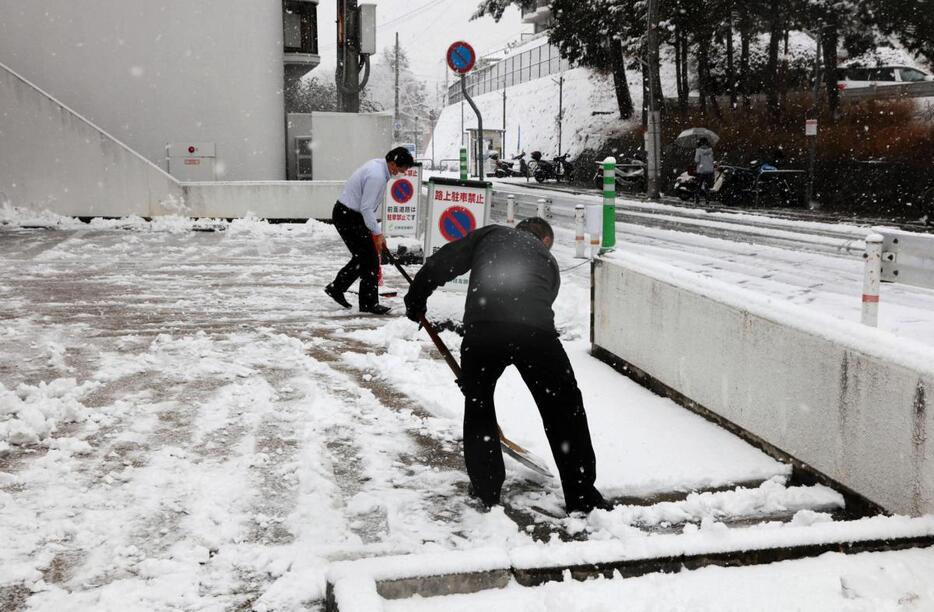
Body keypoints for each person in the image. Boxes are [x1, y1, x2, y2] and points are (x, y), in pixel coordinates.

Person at [403, 218, 609, 515]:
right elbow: (544, 299)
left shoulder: (491, 235)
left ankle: (487, 492)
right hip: (536, 334)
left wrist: (416, 299)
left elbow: (442, 262)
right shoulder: (547, 259)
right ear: (545, 240)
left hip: (483, 329)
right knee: (564, 410)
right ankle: (582, 496)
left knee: (479, 406)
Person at [325, 147, 415, 314]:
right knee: (370, 259)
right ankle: (367, 303)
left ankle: (337, 288)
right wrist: (378, 234)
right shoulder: (377, 176)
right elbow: (366, 208)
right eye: (403, 169)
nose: (404, 172)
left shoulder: (379, 166)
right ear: (394, 164)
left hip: (350, 215)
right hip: (349, 216)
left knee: (364, 258)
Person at [693, 137, 715, 205]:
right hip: (709, 170)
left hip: (701, 170)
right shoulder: (710, 150)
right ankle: (707, 200)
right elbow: (712, 160)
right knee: (707, 186)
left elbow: (697, 160)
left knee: (698, 185)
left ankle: (697, 200)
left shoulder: (698, 150)